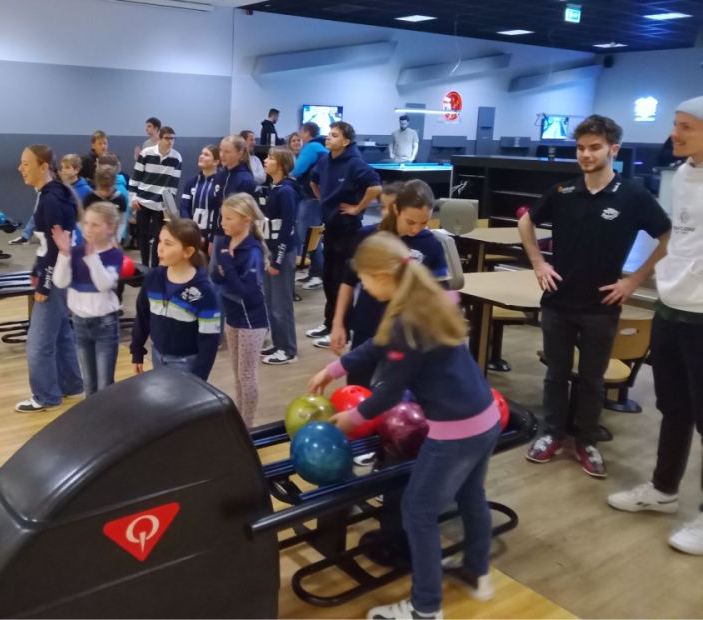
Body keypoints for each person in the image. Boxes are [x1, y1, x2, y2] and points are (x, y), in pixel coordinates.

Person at [308, 232, 501, 620]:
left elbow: (387, 395)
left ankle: (425, 609)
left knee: (418, 511)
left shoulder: (406, 322)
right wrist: (335, 368)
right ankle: (478, 572)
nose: (362, 285)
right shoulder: (425, 298)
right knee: (470, 495)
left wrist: (351, 420)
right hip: (486, 418)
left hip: (455, 432)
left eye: (363, 278)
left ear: (381, 276)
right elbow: (377, 346)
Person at [520, 114, 671, 477]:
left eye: (594, 148)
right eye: (581, 148)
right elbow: (526, 221)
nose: (586, 155)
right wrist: (539, 263)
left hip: (601, 307)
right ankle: (552, 434)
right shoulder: (563, 192)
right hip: (557, 301)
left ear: (613, 150)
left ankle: (586, 441)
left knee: (591, 378)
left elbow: (667, 238)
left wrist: (632, 281)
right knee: (556, 374)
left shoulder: (634, 196)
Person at [607, 96, 703, 555]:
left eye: (685, 127)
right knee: (674, 407)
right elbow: (680, 242)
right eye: (675, 125)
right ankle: (664, 491)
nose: (674, 134)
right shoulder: (683, 176)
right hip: (671, 308)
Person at [324, 181, 447, 389]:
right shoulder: (369, 237)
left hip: (408, 336)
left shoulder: (432, 245)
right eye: (410, 222)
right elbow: (348, 281)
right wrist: (338, 324)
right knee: (359, 388)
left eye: (424, 222)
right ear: (396, 210)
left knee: (395, 396)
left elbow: (439, 293)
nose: (416, 229)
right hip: (367, 327)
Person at [15, 145, 84, 413]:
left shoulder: (52, 199)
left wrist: (44, 283)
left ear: (44, 167)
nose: (20, 168)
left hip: (57, 276)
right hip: (59, 272)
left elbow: (56, 248)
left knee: (38, 342)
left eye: (25, 164)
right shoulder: (50, 194)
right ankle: (73, 386)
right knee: (61, 334)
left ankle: (46, 397)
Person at [306, 121, 382, 343]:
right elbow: (313, 181)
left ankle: (343, 329)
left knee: (343, 281)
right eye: (329, 134)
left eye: (335, 135)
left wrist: (358, 208)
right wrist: (324, 201)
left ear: (346, 141)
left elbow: (375, 186)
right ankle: (329, 323)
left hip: (348, 230)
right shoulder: (325, 160)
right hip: (330, 229)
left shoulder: (355, 163)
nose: (329, 138)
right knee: (329, 278)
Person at [130, 219, 222, 380]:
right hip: (157, 356)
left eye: (168, 243)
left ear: (187, 252)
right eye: (160, 241)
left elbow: (209, 340)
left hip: (187, 364)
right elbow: (142, 316)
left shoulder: (204, 291)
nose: (160, 248)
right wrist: (137, 350)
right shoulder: (153, 278)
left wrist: (199, 377)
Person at [51, 202, 125, 396]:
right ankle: (93, 424)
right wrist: (64, 254)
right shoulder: (74, 253)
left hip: (105, 325)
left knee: (104, 385)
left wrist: (92, 258)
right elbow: (60, 281)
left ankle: (107, 422)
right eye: (86, 223)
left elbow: (104, 285)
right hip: (79, 323)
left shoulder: (114, 255)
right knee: (89, 384)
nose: (88, 229)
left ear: (110, 228)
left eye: (95, 224)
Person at [211, 193, 269, 427]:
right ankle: (240, 418)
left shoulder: (252, 251)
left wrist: (226, 264)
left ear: (246, 220)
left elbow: (246, 291)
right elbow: (215, 277)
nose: (222, 223)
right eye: (222, 218)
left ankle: (248, 424)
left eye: (228, 218)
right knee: (237, 374)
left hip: (252, 321)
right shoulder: (225, 243)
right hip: (233, 317)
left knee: (246, 375)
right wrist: (223, 265)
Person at [258, 147, 300, 366]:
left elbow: (287, 229)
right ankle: (278, 343)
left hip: (281, 253)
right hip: (270, 251)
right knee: (270, 301)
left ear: (282, 164)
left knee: (281, 304)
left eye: (271, 158)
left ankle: (288, 350)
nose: (266, 160)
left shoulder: (286, 191)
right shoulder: (273, 188)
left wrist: (277, 259)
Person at [11, 154, 90, 246]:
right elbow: (38, 212)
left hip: (78, 238)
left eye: (67, 167)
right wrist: (26, 235)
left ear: (76, 170)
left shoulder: (87, 190)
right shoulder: (59, 188)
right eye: (62, 167)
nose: (63, 170)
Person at [130, 126, 182, 267]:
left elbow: (173, 185)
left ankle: (154, 269)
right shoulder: (146, 153)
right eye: (167, 138)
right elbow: (136, 176)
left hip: (161, 205)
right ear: (160, 138)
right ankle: (145, 266)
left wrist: (168, 206)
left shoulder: (177, 157)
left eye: (173, 138)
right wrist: (133, 197)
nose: (170, 141)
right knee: (143, 236)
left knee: (159, 237)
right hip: (142, 201)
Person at [293, 122, 329, 290]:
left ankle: (318, 274)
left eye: (301, 131)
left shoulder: (311, 147)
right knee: (313, 236)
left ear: (306, 132)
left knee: (308, 237)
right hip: (317, 199)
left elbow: (297, 170)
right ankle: (315, 272)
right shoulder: (321, 148)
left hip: (310, 199)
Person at [209, 134, 257, 243]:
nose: (222, 155)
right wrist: (212, 237)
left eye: (227, 152)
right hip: (218, 235)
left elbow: (247, 216)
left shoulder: (246, 180)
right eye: (221, 150)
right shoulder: (219, 176)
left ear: (239, 154)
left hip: (235, 238)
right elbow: (215, 210)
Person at [179, 145, 220, 238]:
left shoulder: (221, 183)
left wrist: (212, 236)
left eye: (206, 155)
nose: (201, 156)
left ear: (216, 162)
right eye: (201, 153)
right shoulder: (191, 182)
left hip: (213, 235)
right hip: (193, 233)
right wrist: (190, 229)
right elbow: (184, 207)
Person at [83, 165, 127, 242]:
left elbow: (121, 222)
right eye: (101, 188)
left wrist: (117, 238)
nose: (104, 193)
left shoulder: (120, 199)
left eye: (107, 189)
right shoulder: (89, 198)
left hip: (112, 240)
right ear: (96, 185)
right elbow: (83, 220)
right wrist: (86, 236)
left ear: (113, 184)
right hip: (92, 240)